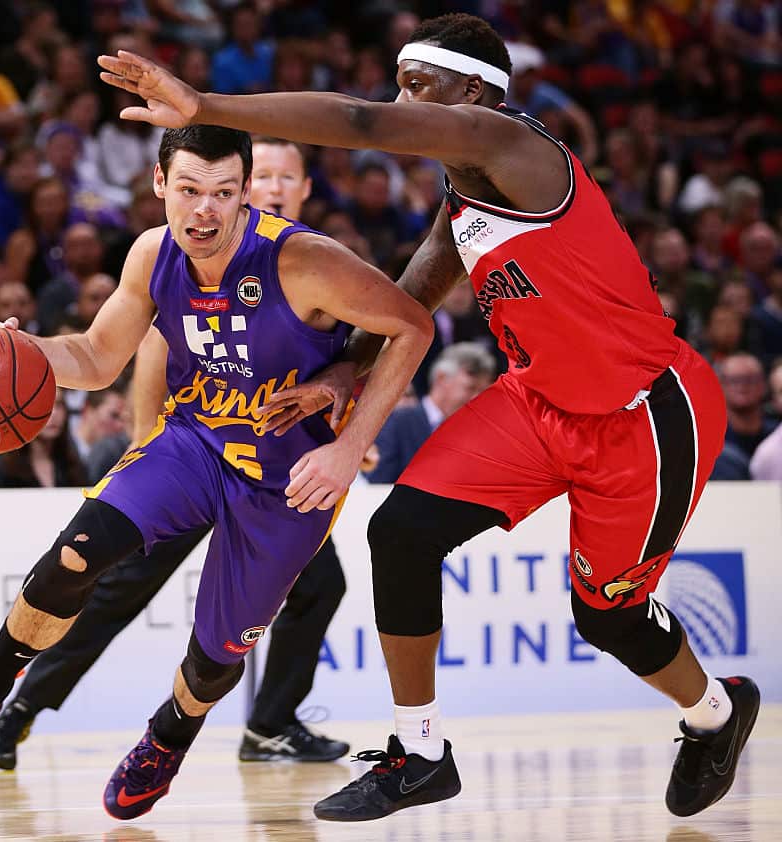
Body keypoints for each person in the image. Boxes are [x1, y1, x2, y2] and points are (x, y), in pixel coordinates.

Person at [97, 11, 760, 822]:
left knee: (608, 617)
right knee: (400, 531)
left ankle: (715, 715)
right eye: (401, 81)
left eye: (421, 86)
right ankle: (421, 752)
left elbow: (357, 120)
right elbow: (412, 297)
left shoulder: (518, 148)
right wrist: (350, 367)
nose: (401, 98)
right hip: (537, 403)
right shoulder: (466, 196)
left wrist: (202, 106)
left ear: (474, 96)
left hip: (644, 414)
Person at [0, 126, 431, 823]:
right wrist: (19, 350)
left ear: (244, 194)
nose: (205, 211)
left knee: (215, 656)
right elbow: (98, 355)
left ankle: (169, 735)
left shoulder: (305, 261)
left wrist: (350, 446)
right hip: (195, 442)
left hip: (287, 477)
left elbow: (413, 325)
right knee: (76, 555)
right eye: (191, 191)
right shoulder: (151, 254)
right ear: (161, 185)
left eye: (223, 194)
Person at [0, 136, 353, 771]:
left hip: (273, 473)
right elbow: (150, 346)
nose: (275, 187)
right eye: (263, 176)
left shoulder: (310, 260)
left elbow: (354, 354)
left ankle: (269, 723)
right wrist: (147, 445)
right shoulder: (198, 246)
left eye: (287, 177)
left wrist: (345, 424)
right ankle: (21, 705)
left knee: (322, 585)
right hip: (194, 453)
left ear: (305, 188)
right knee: (113, 587)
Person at [366, 342, 495, 483]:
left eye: (482, 391)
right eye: (470, 388)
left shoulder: (480, 434)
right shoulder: (398, 422)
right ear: (441, 378)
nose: (476, 397)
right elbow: (377, 482)